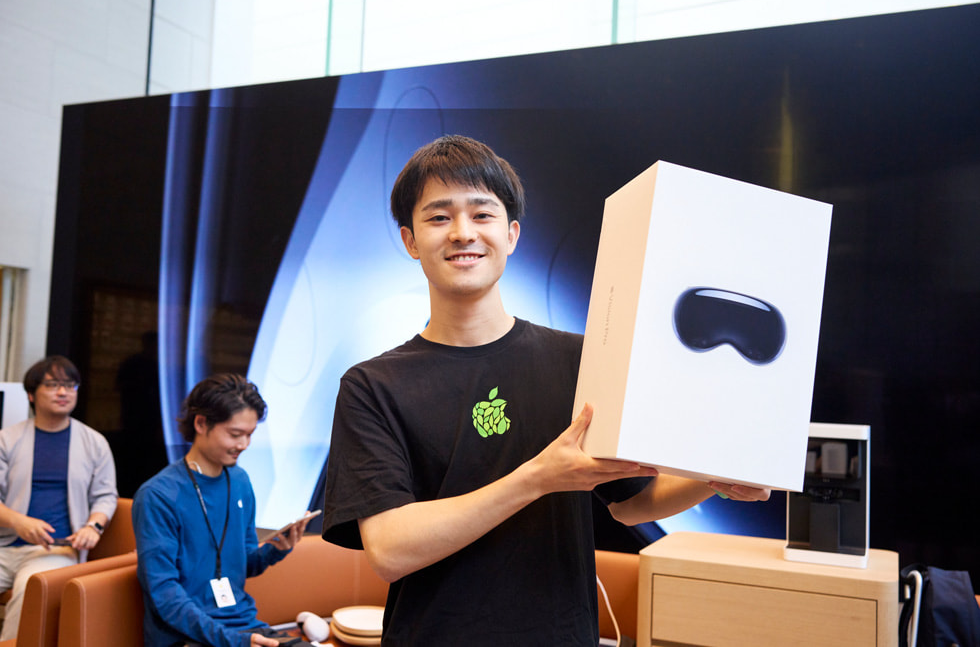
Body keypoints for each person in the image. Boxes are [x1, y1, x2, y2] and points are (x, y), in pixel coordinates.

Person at [320, 135, 771, 645]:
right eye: (439, 217)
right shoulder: (372, 385)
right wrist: (538, 478)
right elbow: (390, 550)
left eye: (483, 215)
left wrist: (717, 476)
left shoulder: (580, 359)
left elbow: (632, 500)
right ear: (409, 240)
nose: (463, 233)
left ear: (511, 234)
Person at [133, 373, 315, 647]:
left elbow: (244, 565)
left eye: (250, 435)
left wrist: (277, 549)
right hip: (186, 638)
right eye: (235, 434)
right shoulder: (158, 495)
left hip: (244, 627)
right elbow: (165, 596)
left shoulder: (240, 481)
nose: (244, 445)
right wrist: (234, 641)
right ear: (201, 423)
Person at [0, 356, 118, 640]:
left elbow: (106, 495)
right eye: (53, 385)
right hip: (5, 545)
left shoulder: (94, 442)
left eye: (70, 385)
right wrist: (19, 522)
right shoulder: (7, 439)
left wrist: (94, 527)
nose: (63, 392)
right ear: (31, 394)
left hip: (57, 550)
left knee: (32, 588)